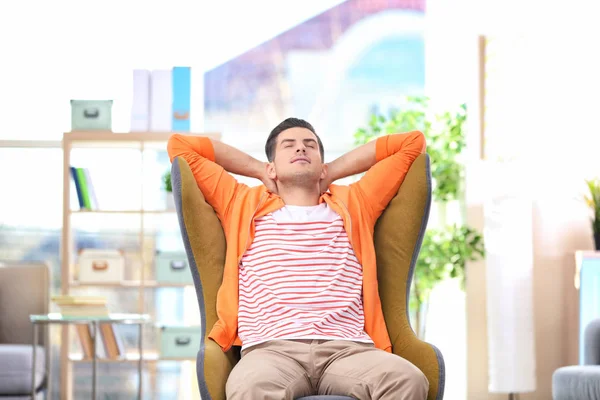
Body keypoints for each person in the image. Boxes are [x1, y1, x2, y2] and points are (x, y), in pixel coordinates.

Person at [167, 118, 429, 400]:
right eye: (288, 146)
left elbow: (411, 144)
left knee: (408, 379)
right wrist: (258, 170)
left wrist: (330, 173)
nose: (301, 150)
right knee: (249, 389)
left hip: (348, 349)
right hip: (271, 351)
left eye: (310, 146)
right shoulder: (240, 202)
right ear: (272, 165)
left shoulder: (357, 202)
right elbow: (180, 146)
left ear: (322, 162)